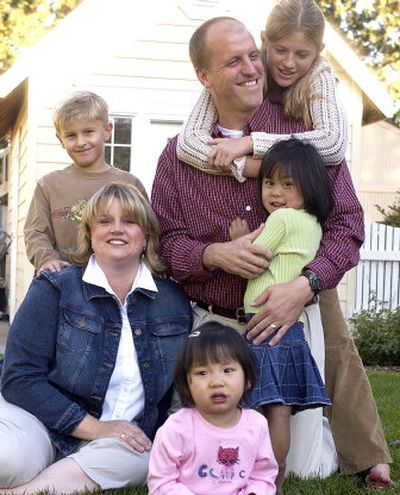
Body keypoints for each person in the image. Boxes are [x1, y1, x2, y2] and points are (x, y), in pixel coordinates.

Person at [151, 15, 393, 487]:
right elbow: (167, 244)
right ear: (204, 77)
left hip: (290, 323)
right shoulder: (180, 153)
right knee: (206, 453)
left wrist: (304, 286)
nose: (251, 68)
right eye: (233, 61)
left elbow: (347, 226)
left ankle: (354, 450)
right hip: (217, 325)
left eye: (251, 56)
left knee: (307, 468)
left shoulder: (303, 139)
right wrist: (213, 255)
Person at [0, 183, 192, 494]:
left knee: (143, 457)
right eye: (105, 221)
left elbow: (176, 391)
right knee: (7, 460)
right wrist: (95, 428)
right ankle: (53, 475)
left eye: (129, 221)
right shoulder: (56, 287)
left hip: (120, 441)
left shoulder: (173, 300)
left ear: (146, 236)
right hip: (40, 422)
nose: (117, 229)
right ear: (90, 234)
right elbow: (19, 378)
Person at [240, 138, 333, 489]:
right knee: (280, 408)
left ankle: (261, 476)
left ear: (308, 187)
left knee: (261, 406)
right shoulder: (313, 224)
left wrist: (240, 238)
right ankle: (275, 478)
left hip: (263, 325)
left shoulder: (279, 219)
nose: (275, 192)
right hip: (290, 328)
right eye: (269, 183)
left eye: (287, 184)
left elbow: (250, 262)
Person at [177, 0, 347, 177]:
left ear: (319, 50)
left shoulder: (319, 73)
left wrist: (251, 143)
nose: (289, 63)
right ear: (265, 40)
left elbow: (332, 143)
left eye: (301, 55)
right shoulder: (249, 68)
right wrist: (245, 166)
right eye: (280, 50)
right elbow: (189, 142)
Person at [24, 90, 147, 275]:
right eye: (71, 135)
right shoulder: (48, 185)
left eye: (88, 132)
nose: (81, 142)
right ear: (60, 140)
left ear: (107, 131)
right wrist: (48, 259)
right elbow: (36, 233)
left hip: (116, 283)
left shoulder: (130, 184)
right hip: (61, 283)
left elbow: (147, 233)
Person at [147, 322, 278, 494]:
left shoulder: (256, 424)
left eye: (227, 370)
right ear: (186, 383)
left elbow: (262, 475)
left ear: (248, 379)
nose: (216, 382)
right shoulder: (176, 428)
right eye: (202, 373)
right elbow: (161, 483)